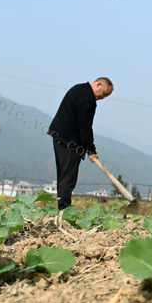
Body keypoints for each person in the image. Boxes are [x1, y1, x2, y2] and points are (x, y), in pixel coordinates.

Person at [48, 77, 113, 210]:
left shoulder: (78, 88)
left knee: (63, 178)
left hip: (59, 136)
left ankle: (62, 210)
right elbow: (85, 126)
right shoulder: (88, 98)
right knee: (68, 180)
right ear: (98, 85)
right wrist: (91, 150)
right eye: (104, 93)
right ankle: (64, 211)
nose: (103, 97)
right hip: (70, 142)